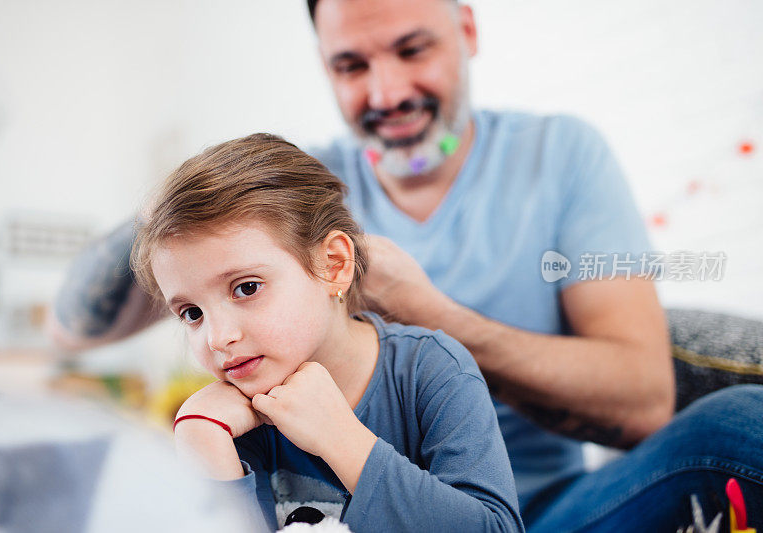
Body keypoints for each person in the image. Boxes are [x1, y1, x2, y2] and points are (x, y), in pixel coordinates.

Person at [49, 0, 763, 529]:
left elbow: (640, 399)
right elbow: (72, 325)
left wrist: (433, 318)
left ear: (468, 30)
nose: (386, 93)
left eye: (412, 49)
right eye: (351, 65)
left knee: (739, 426)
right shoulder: (285, 194)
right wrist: (169, 201)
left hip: (541, 509)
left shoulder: (559, 157)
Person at [128, 133, 524, 532]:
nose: (218, 338)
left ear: (333, 264)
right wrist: (205, 445)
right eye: (192, 313)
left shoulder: (432, 371)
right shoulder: (228, 421)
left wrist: (340, 438)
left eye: (247, 287)